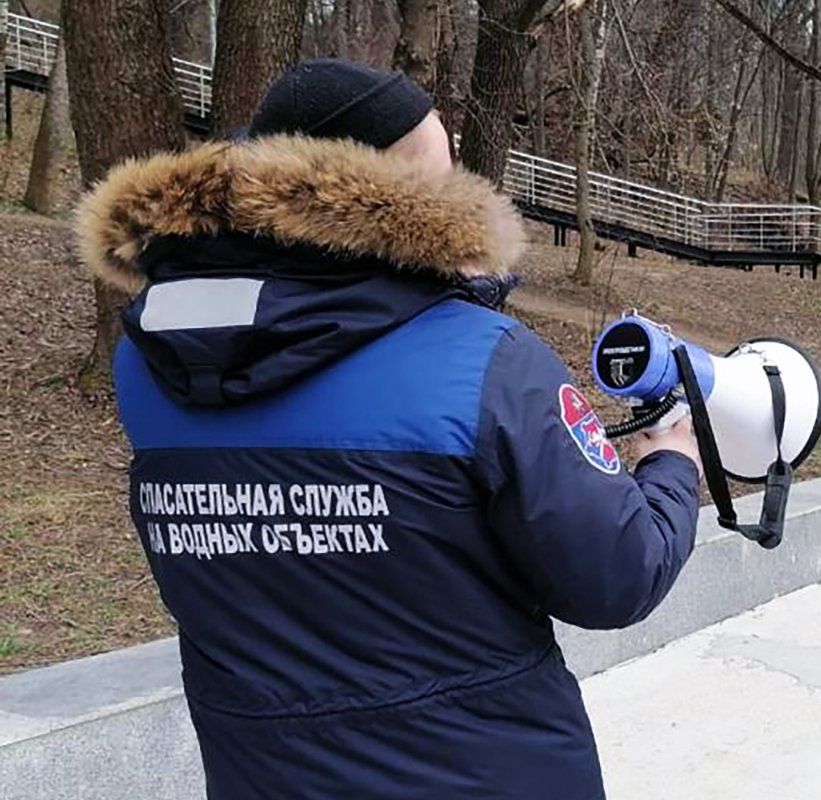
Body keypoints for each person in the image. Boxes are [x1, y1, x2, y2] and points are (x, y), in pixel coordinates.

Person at [78, 60, 703, 800]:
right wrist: (672, 462)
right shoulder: (481, 361)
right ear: (384, 197)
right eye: (439, 177)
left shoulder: (147, 360)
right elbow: (616, 576)